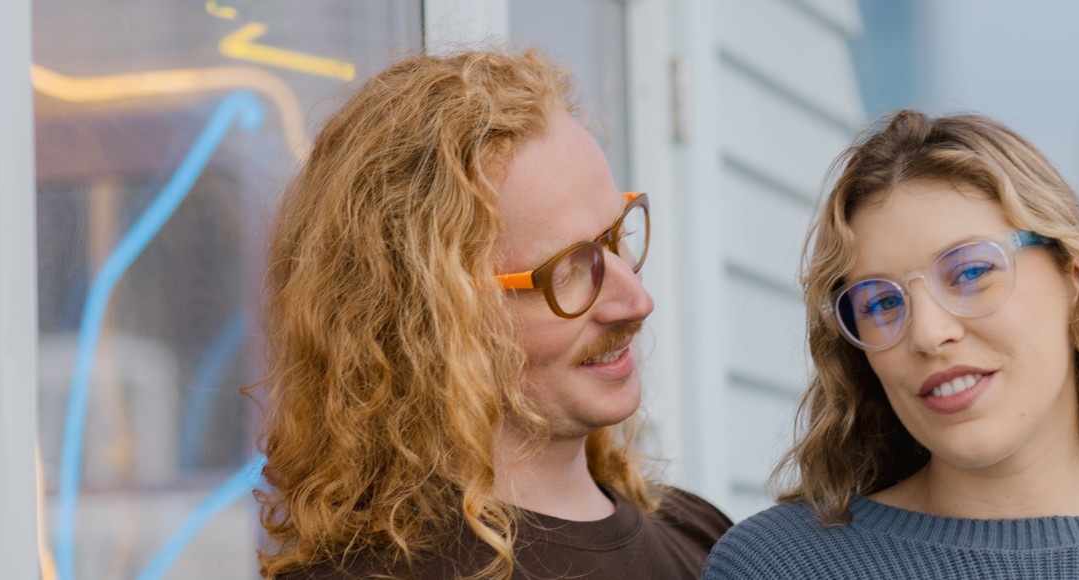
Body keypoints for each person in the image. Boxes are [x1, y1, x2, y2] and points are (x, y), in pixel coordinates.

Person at [703, 111, 1079, 579]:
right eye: (881, 303)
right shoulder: (775, 565)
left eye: (971, 272)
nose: (929, 333)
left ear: (1074, 275)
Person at [253, 49, 731, 580]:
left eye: (617, 235)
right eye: (568, 271)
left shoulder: (710, 542)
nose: (637, 301)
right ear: (432, 316)